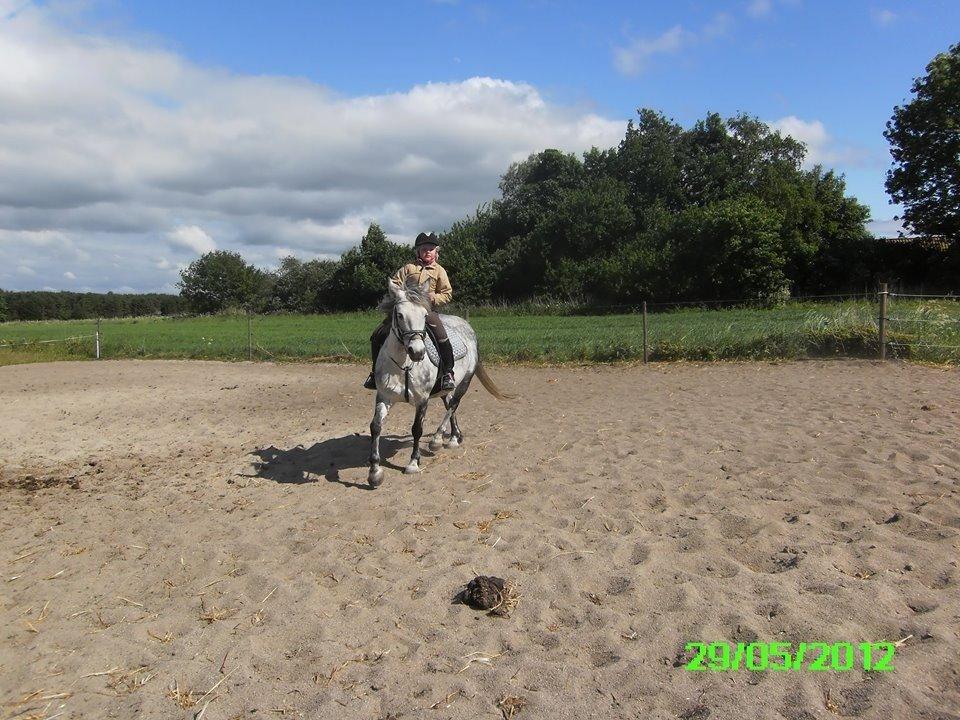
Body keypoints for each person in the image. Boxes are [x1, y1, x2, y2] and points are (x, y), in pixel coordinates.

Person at [364, 232, 456, 391]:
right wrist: (400, 295)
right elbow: (394, 283)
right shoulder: (408, 268)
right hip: (406, 311)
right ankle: (374, 373)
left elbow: (447, 293)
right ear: (418, 251)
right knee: (377, 334)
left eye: (431, 249)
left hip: (426, 311)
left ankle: (448, 373)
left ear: (436, 251)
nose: (428, 252)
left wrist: (433, 298)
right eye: (424, 249)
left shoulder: (439, 271)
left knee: (442, 336)